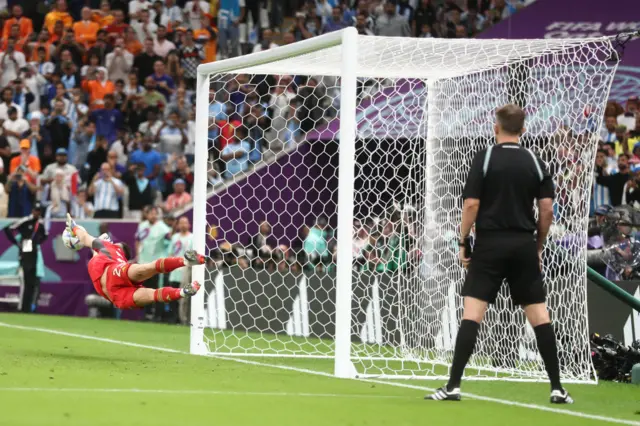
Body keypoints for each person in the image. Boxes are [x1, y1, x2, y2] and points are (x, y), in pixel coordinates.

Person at [426, 104, 572, 404]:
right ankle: (557, 387)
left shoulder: (485, 158)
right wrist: (539, 245)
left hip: (490, 244)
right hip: (523, 244)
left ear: (496, 127)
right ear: (524, 129)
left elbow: (471, 205)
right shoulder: (535, 161)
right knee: (539, 315)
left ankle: (453, 385)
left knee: (473, 315)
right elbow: (546, 210)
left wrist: (463, 241)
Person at [65, 213, 203, 311]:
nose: (116, 243)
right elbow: (85, 239)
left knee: (144, 272)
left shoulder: (107, 247)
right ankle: (182, 291)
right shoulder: (103, 247)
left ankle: (185, 261)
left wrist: (75, 227)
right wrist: (76, 229)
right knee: (149, 294)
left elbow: (84, 238)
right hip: (115, 293)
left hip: (114, 272)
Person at [3, 202, 47, 312]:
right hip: (25, 253)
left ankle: (28, 308)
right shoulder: (25, 221)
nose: (37, 213)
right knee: (25, 282)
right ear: (32, 211)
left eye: (39, 211)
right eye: (35, 210)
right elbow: (8, 228)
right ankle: (22, 307)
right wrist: (17, 243)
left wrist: (36, 243)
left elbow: (45, 235)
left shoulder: (40, 224)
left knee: (32, 283)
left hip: (34, 254)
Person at [166, 216, 193, 323]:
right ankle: (174, 317)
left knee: (184, 297)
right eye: (181, 223)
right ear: (178, 225)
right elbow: (170, 253)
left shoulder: (192, 237)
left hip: (186, 271)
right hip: (174, 271)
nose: (183, 225)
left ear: (189, 225)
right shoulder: (175, 237)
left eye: (185, 223)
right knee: (172, 296)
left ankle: (183, 318)